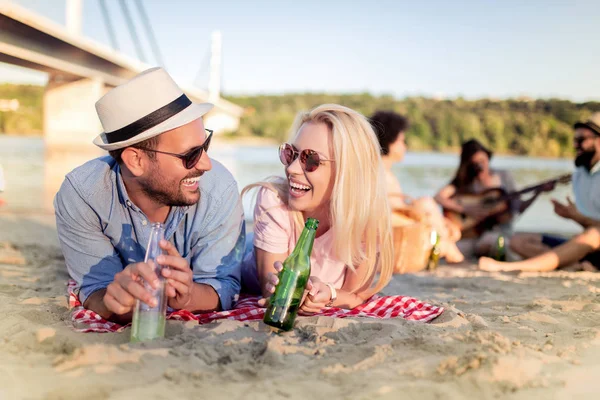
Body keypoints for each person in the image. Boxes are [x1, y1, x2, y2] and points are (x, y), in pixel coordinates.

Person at [54, 68, 245, 323]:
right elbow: (95, 289)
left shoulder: (219, 189)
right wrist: (114, 301)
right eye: (190, 155)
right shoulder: (82, 196)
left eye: (205, 146)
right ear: (136, 160)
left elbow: (223, 285)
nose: (206, 164)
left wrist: (187, 297)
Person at [241, 104, 393, 312]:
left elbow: (356, 297)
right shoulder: (274, 200)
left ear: (348, 171)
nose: (292, 168)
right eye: (291, 153)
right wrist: (282, 289)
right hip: (247, 254)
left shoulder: (367, 218)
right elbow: (273, 293)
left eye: (311, 159)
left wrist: (329, 294)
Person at [480, 113, 600, 272]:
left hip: (591, 241)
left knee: (592, 235)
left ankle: (511, 267)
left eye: (581, 140)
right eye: (574, 139)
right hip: (588, 246)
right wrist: (573, 216)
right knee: (518, 241)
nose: (575, 145)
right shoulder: (579, 176)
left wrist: (577, 217)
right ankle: (575, 265)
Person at [370, 110, 463, 263]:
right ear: (389, 141)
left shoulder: (384, 172)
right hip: (391, 229)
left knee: (430, 211)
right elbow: (389, 210)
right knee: (426, 204)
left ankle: (449, 248)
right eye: (401, 141)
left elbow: (398, 206)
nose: (404, 146)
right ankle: (453, 253)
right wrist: (424, 212)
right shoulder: (378, 173)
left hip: (398, 226)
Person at [435, 139, 542, 258]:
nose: (480, 166)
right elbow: (438, 197)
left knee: (490, 243)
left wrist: (537, 193)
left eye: (482, 161)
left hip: (497, 232)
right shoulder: (466, 181)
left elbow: (518, 208)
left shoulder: (504, 176)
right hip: (471, 234)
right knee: (447, 249)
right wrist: (464, 209)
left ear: (488, 157)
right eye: (475, 164)